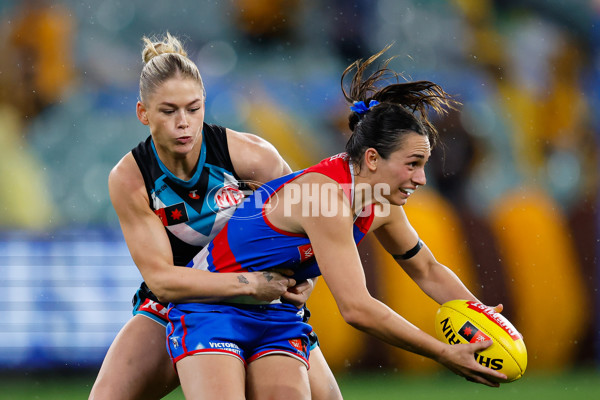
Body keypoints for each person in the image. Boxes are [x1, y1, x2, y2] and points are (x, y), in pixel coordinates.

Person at [166, 47, 509, 399]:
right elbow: (357, 308)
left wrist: (481, 316)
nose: (421, 178)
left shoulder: (378, 198)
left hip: (277, 314)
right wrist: (443, 353)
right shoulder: (326, 200)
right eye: (413, 163)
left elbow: (427, 269)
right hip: (213, 307)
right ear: (372, 158)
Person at [89, 33, 342, 400]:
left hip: (264, 305)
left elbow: (313, 226)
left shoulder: (253, 156)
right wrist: (250, 285)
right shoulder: (130, 179)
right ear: (143, 113)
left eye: (193, 109)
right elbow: (163, 281)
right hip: (181, 300)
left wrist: (307, 283)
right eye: (168, 110)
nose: (184, 123)